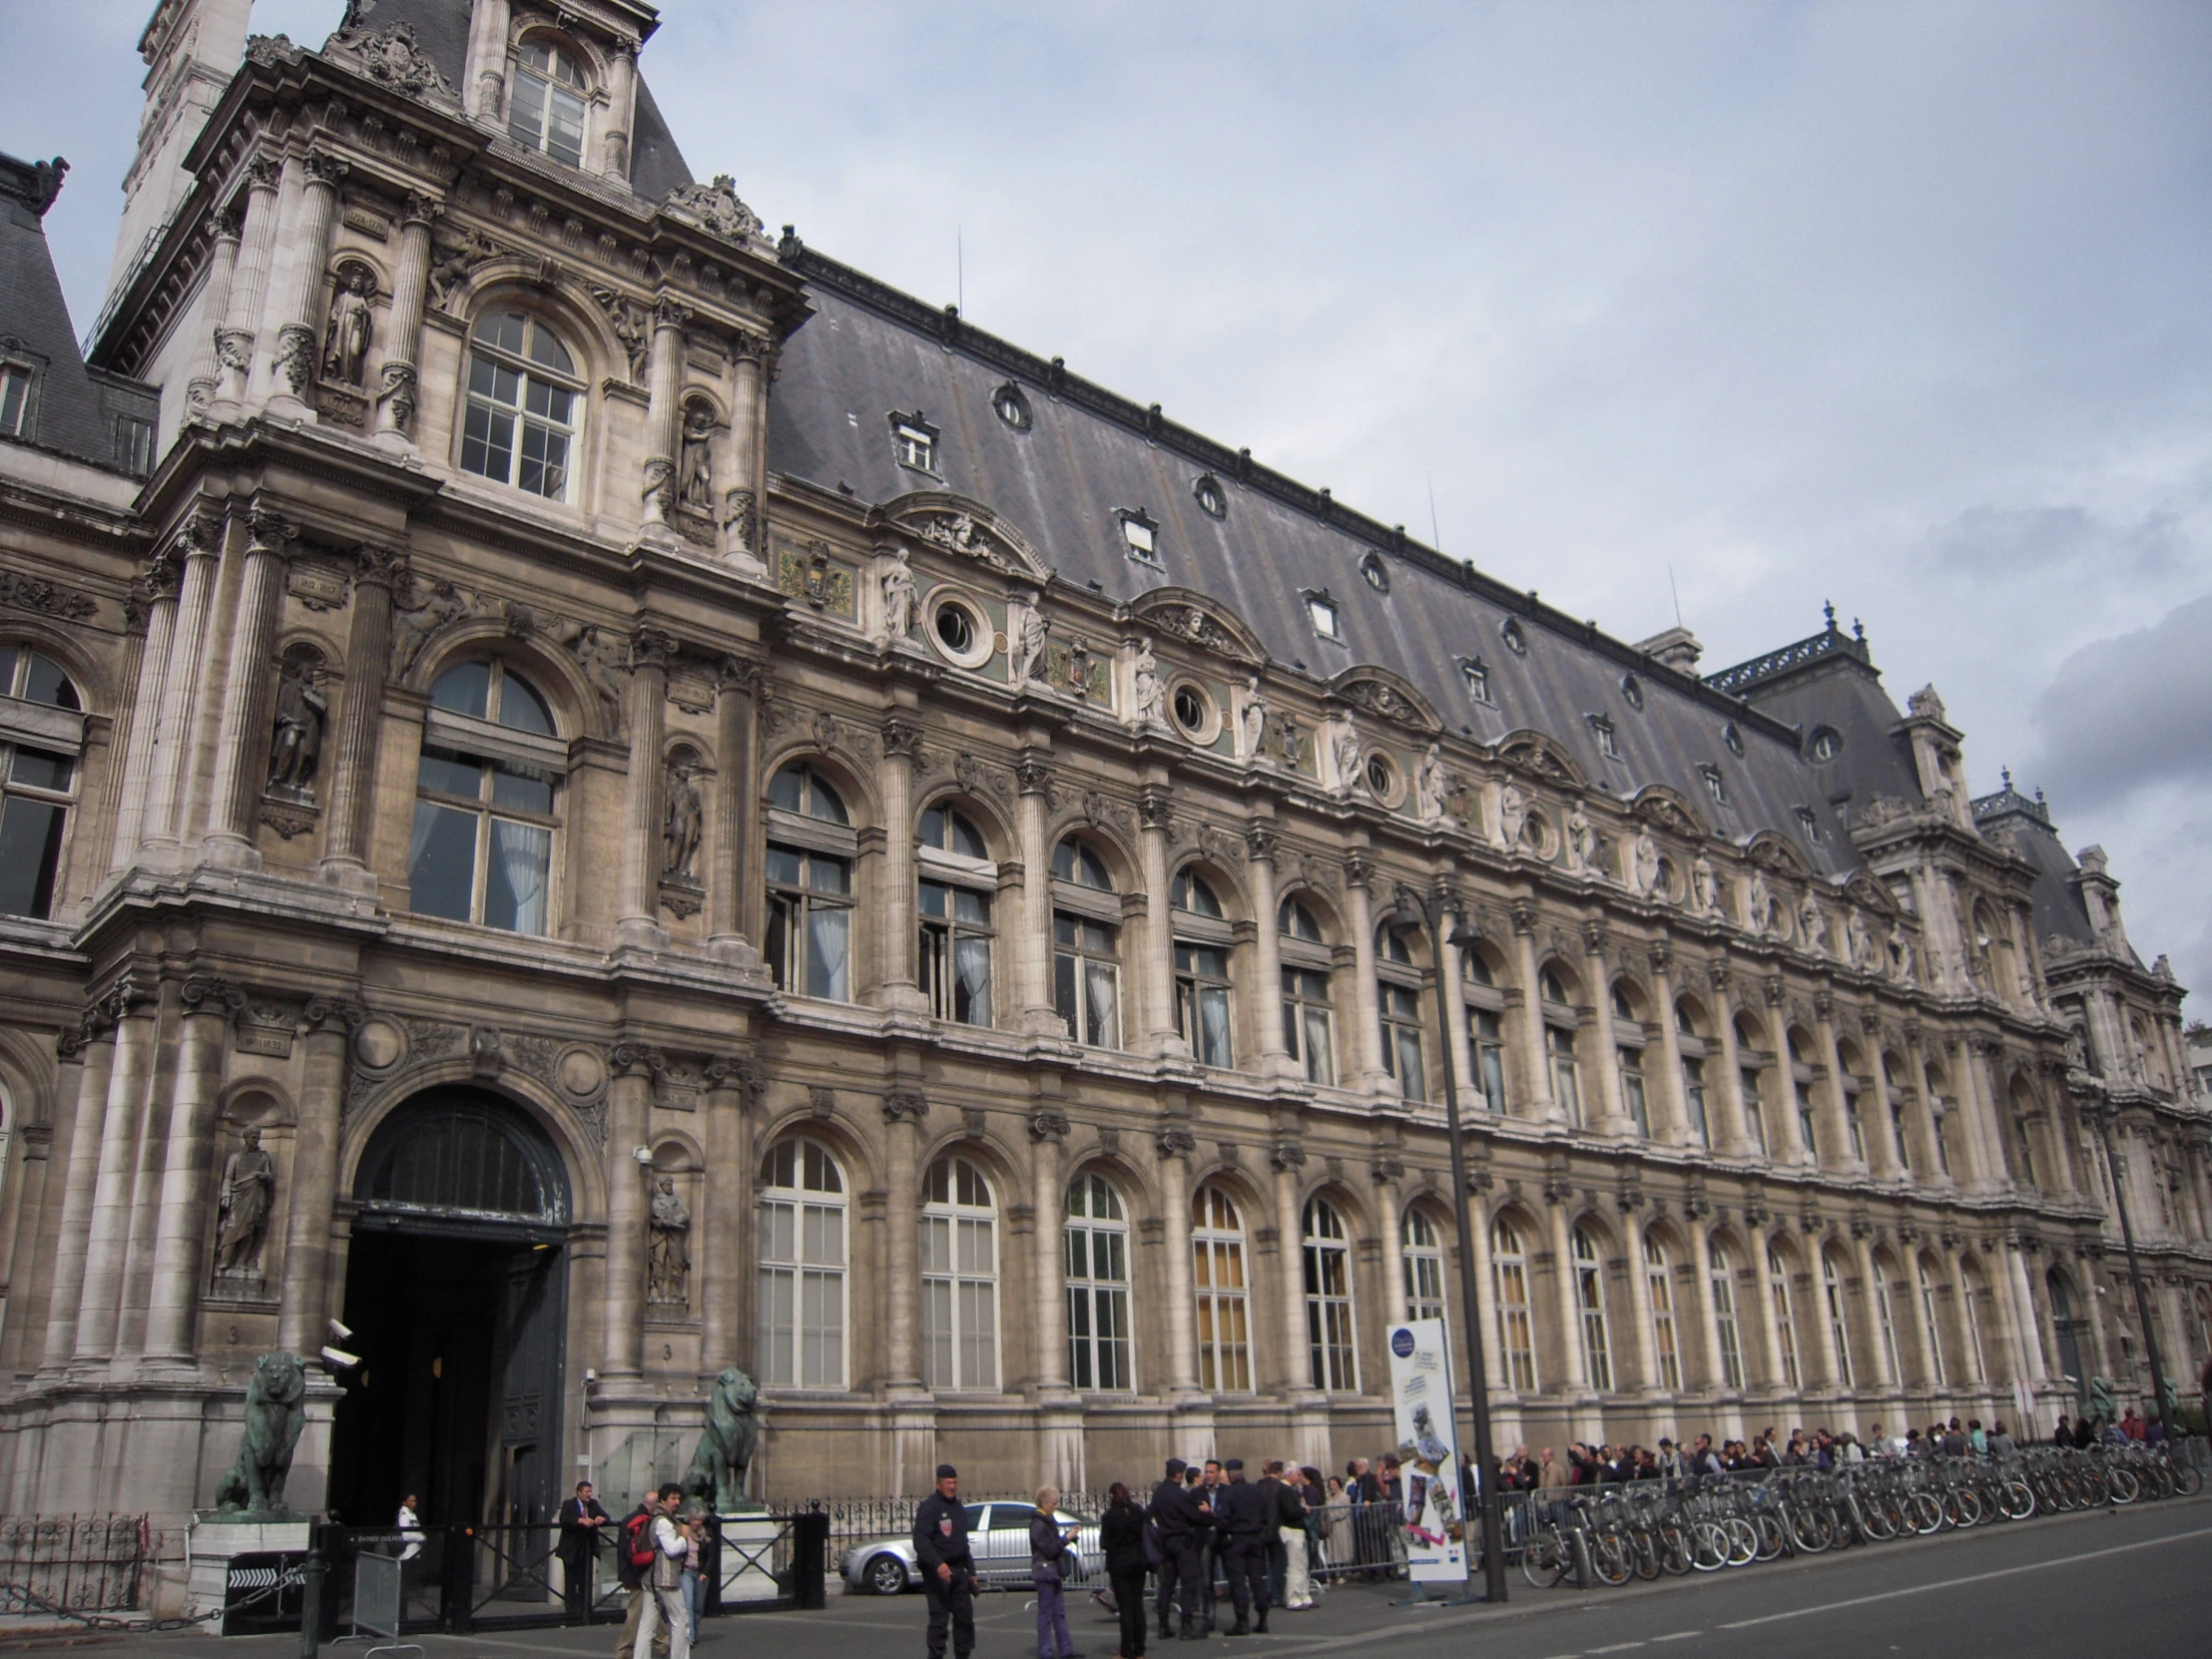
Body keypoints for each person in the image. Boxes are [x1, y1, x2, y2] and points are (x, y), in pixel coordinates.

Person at [914, 1465, 979, 1659]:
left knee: (965, 1620)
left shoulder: (958, 1507)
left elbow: (962, 1542)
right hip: (938, 1574)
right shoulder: (929, 1507)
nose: (952, 1487)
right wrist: (938, 1564)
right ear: (938, 1484)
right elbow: (921, 1541)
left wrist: (972, 1571)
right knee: (939, 1622)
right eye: (948, 1483)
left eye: (954, 1482)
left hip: (959, 1571)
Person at [632, 1484, 693, 1659]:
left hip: (651, 1579)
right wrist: (684, 1538)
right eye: (673, 1498)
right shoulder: (663, 1522)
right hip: (666, 1579)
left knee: (647, 1624)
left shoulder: (656, 1518)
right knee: (680, 1621)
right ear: (663, 1500)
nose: (677, 1502)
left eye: (678, 1498)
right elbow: (672, 1549)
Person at [1215, 1459, 1269, 1636]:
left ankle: (1242, 1621)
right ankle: (1263, 1619)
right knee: (1257, 1579)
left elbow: (1222, 1519)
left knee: (1238, 1582)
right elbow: (1265, 1514)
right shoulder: (1255, 1491)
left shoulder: (1229, 1494)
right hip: (1255, 1538)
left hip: (1237, 1539)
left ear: (1230, 1475)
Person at [1029, 1484, 1080, 1659]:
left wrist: (1066, 1537)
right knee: (1046, 1614)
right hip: (1044, 1571)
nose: (1055, 1506)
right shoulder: (1038, 1525)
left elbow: (1053, 1546)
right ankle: (1046, 1652)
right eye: (1053, 1503)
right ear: (1044, 1503)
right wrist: (1066, 1539)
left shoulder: (1048, 1521)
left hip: (1053, 1570)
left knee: (1059, 1613)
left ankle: (1066, 1650)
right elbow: (1050, 1549)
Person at [1100, 1481, 1149, 1659]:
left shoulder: (1109, 1516)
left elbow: (1104, 1543)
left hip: (1119, 1564)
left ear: (1112, 1497)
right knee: (1138, 1605)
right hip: (1138, 1562)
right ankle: (1140, 1649)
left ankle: (1126, 1649)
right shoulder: (1138, 1513)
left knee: (1125, 1608)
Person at [559, 1480, 611, 1625]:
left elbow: (606, 1517)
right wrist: (579, 1520)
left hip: (586, 1549)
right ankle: (570, 1611)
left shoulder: (593, 1504)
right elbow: (564, 1519)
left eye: (590, 1492)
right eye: (586, 1492)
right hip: (571, 1549)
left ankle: (586, 1610)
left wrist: (603, 1519)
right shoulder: (569, 1504)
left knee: (586, 1580)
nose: (589, 1495)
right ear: (579, 1492)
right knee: (570, 1581)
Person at [1150, 1459, 1191, 1641]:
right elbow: (1192, 1515)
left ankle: (1163, 1625)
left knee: (1167, 1585)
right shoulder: (1180, 1494)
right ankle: (1186, 1626)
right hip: (1181, 1540)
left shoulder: (1158, 1493)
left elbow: (1148, 1515)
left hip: (1164, 1540)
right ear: (1179, 1474)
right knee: (1188, 1582)